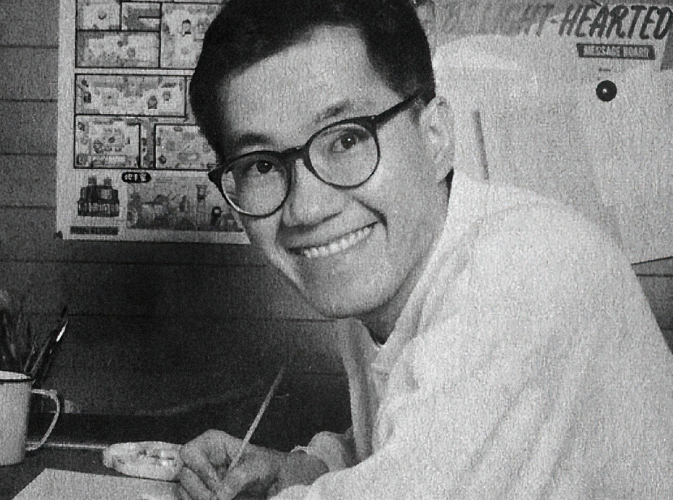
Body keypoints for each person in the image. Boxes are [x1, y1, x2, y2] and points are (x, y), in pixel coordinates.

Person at [175, 0, 673, 498]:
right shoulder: (388, 262)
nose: (306, 209)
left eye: (346, 141)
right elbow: (417, 437)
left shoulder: (521, 269)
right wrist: (298, 470)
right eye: (261, 165)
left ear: (436, 137)